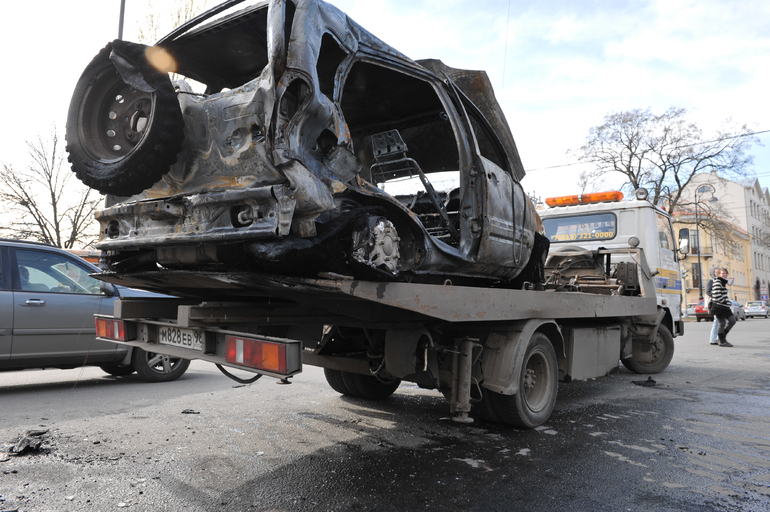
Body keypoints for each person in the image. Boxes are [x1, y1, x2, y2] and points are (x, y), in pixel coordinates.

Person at [711, 267, 735, 347]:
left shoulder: (722, 282)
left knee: (732, 320)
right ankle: (722, 341)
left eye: (725, 273)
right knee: (722, 323)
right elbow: (716, 295)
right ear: (719, 274)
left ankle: (722, 337)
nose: (724, 274)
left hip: (725, 306)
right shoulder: (717, 282)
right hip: (719, 306)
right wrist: (725, 301)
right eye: (722, 273)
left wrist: (727, 302)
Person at [704, 272, 719, 345]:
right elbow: (707, 291)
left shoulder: (718, 281)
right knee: (717, 321)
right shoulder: (711, 280)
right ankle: (714, 339)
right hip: (715, 303)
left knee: (721, 321)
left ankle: (717, 338)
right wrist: (717, 296)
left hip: (720, 303)